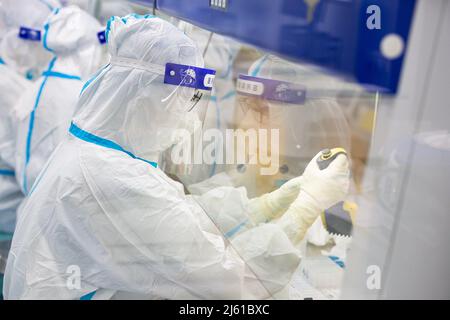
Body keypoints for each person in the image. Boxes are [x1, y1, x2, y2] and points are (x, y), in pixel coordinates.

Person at [4, 15, 350, 300]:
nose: (187, 117)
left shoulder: (102, 153)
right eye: (184, 101)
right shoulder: (113, 177)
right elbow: (233, 282)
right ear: (144, 99)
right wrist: (303, 209)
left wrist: (265, 205)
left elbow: (178, 217)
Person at [12, 6, 105, 195]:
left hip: (33, 203)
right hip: (55, 206)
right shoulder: (83, 95)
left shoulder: (35, 88)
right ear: (87, 50)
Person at [0, 0, 61, 80]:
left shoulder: (51, 3)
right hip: (24, 62)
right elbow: (5, 33)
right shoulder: (5, 6)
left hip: (51, 56)